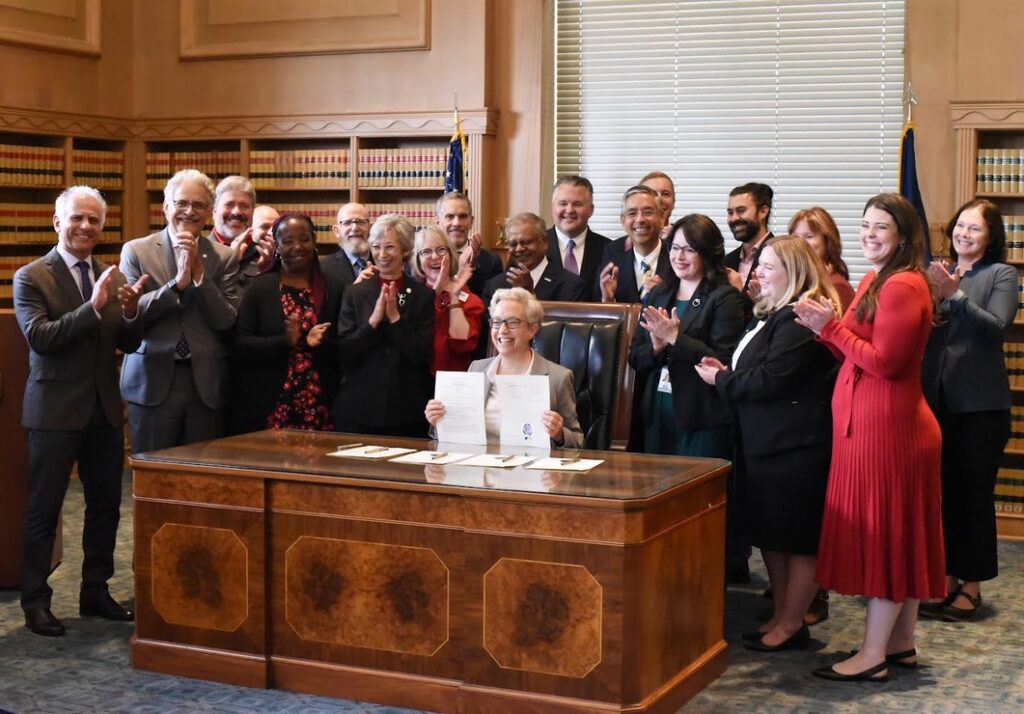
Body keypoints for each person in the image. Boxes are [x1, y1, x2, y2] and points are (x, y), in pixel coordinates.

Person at [794, 193, 943, 682]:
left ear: (903, 235)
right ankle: (900, 644)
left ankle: (872, 656)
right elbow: (855, 352)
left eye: (881, 227)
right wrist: (826, 330)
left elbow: (885, 363)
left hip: (891, 432)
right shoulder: (874, 279)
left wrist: (831, 327)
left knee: (887, 539)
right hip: (868, 428)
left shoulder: (902, 285)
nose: (870, 234)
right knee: (897, 537)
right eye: (865, 225)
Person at [696, 235, 839, 652]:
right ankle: (782, 615)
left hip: (794, 447)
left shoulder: (799, 317)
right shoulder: (773, 313)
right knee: (772, 537)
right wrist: (728, 370)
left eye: (768, 266)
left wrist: (721, 380)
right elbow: (758, 371)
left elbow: (773, 380)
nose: (757, 272)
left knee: (797, 539)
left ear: (793, 271)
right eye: (758, 265)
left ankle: (792, 622)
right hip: (764, 443)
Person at [14, 186, 146, 636]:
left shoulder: (111, 275)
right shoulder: (31, 276)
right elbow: (42, 338)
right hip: (52, 412)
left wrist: (130, 315)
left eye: (94, 220)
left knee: (106, 505)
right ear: (57, 222)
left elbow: (126, 344)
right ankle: (35, 601)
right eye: (77, 218)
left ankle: (95, 590)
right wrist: (93, 309)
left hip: (104, 411)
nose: (86, 226)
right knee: (45, 509)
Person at [919, 199, 1016, 622]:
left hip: (980, 407)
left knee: (973, 497)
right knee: (942, 496)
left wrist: (953, 296)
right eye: (960, 225)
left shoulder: (1002, 275)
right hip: (936, 405)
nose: (964, 234)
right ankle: (946, 577)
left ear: (991, 236)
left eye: (975, 229)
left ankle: (972, 586)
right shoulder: (936, 272)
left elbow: (997, 327)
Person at [120, 169, 240, 453]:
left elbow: (226, 320)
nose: (189, 211)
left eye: (198, 205)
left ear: (210, 211)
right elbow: (131, 315)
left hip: (205, 383)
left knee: (201, 479)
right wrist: (175, 286)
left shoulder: (224, 257)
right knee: (152, 476)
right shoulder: (136, 251)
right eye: (181, 203)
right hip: (152, 380)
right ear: (165, 207)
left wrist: (199, 276)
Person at [628, 213, 745, 458]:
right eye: (675, 247)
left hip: (700, 416)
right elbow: (635, 358)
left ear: (707, 253)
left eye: (689, 249)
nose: (678, 257)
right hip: (657, 412)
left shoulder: (724, 298)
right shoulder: (659, 293)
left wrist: (675, 338)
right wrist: (656, 347)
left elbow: (723, 362)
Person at [425, 287, 584, 448]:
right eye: (496, 322)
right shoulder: (477, 368)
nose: (502, 330)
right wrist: (438, 421)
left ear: (532, 329)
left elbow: (578, 442)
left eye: (512, 322)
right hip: (476, 467)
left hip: (529, 469)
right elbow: (448, 436)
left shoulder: (557, 377)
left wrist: (559, 434)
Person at [229, 214, 340, 434]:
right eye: (288, 241)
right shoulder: (260, 288)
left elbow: (344, 347)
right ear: (277, 246)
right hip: (270, 400)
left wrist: (319, 343)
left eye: (304, 239)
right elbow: (240, 345)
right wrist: (285, 341)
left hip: (321, 401)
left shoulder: (333, 288)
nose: (297, 246)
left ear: (314, 241)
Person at [332, 213, 434, 437]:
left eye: (390, 247)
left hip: (405, 408)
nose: (382, 254)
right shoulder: (355, 293)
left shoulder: (422, 295)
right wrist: (372, 322)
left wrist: (396, 319)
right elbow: (344, 353)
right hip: (359, 406)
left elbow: (421, 354)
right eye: (376, 247)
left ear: (406, 250)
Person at [410, 225, 485, 373]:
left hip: (453, 384)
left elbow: (462, 345)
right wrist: (435, 292)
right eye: (426, 252)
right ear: (417, 261)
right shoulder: (410, 297)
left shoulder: (471, 301)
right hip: (414, 382)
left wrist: (453, 297)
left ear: (451, 255)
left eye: (441, 250)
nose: (435, 257)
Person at [482, 212, 587, 306]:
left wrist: (529, 293)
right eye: (513, 244)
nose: (519, 249)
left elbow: (563, 326)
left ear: (545, 242)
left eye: (526, 242)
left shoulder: (571, 285)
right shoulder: (494, 286)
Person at [597, 185, 672, 304]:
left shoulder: (675, 256)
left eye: (648, 212)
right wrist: (608, 300)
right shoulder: (612, 255)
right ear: (623, 220)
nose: (640, 219)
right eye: (632, 213)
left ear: (662, 217)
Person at [546, 175, 610, 297]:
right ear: (553, 207)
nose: (569, 210)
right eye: (563, 203)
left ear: (591, 210)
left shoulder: (608, 250)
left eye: (577, 204)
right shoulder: (533, 247)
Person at [436, 191, 504, 299]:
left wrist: (472, 265)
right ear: (438, 222)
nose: (457, 223)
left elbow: (492, 305)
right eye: (450, 216)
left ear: (471, 221)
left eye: (463, 216)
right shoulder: (426, 258)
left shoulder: (491, 261)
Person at [210, 175, 272, 293]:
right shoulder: (198, 252)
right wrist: (228, 264)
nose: (236, 212)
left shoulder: (265, 254)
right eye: (229, 204)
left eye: (244, 206)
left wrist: (269, 270)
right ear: (214, 211)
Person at [788, 207, 856, 312]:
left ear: (828, 242)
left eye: (808, 236)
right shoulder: (796, 282)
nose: (800, 243)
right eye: (796, 237)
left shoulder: (837, 287)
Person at [725, 182, 775, 295]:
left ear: (763, 211)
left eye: (741, 210)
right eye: (730, 212)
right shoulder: (727, 261)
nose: (734, 218)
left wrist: (738, 292)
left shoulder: (781, 256)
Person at [321, 202, 374, 293]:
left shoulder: (383, 262)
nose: (354, 228)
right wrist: (354, 291)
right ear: (337, 231)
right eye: (347, 223)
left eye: (360, 222)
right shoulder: (324, 269)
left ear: (370, 228)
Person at [640, 170, 677, 238]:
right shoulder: (621, 246)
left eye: (665, 194)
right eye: (652, 194)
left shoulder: (689, 242)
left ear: (674, 201)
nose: (660, 200)